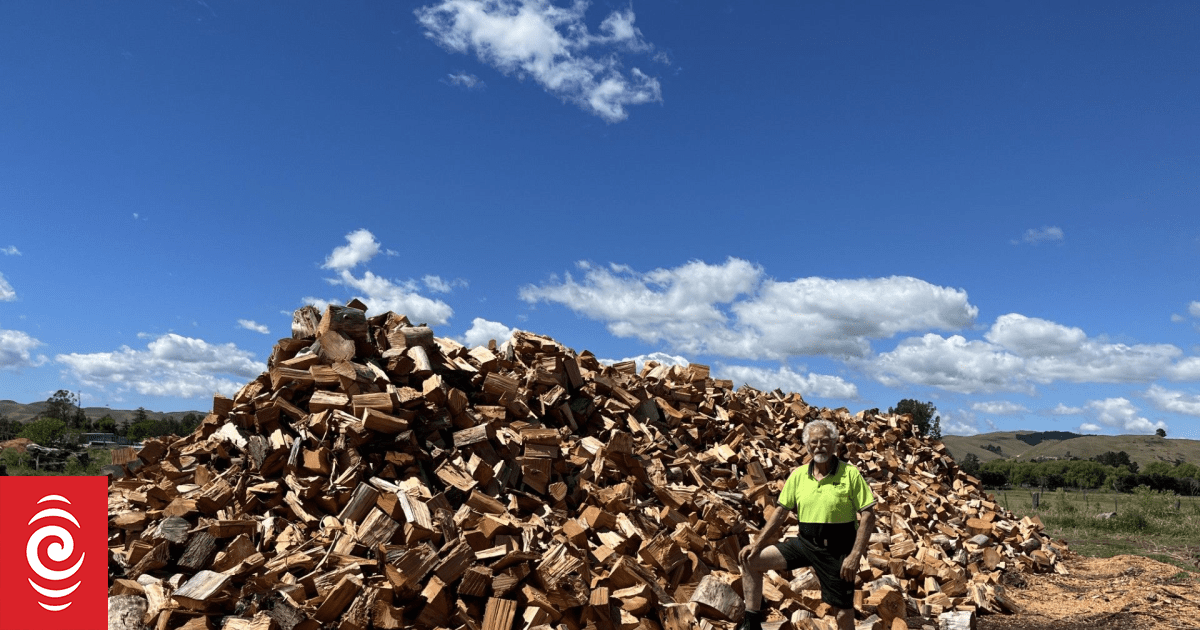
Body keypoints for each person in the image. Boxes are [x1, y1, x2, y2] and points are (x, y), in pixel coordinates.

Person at [737, 419, 876, 630]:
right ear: (807, 447)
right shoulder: (799, 475)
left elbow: (868, 514)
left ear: (834, 444)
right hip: (805, 543)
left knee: (842, 613)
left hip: (837, 550)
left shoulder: (850, 474)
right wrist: (757, 544)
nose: (819, 446)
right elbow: (780, 513)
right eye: (814, 442)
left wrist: (855, 555)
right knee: (751, 560)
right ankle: (751, 623)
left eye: (824, 441)